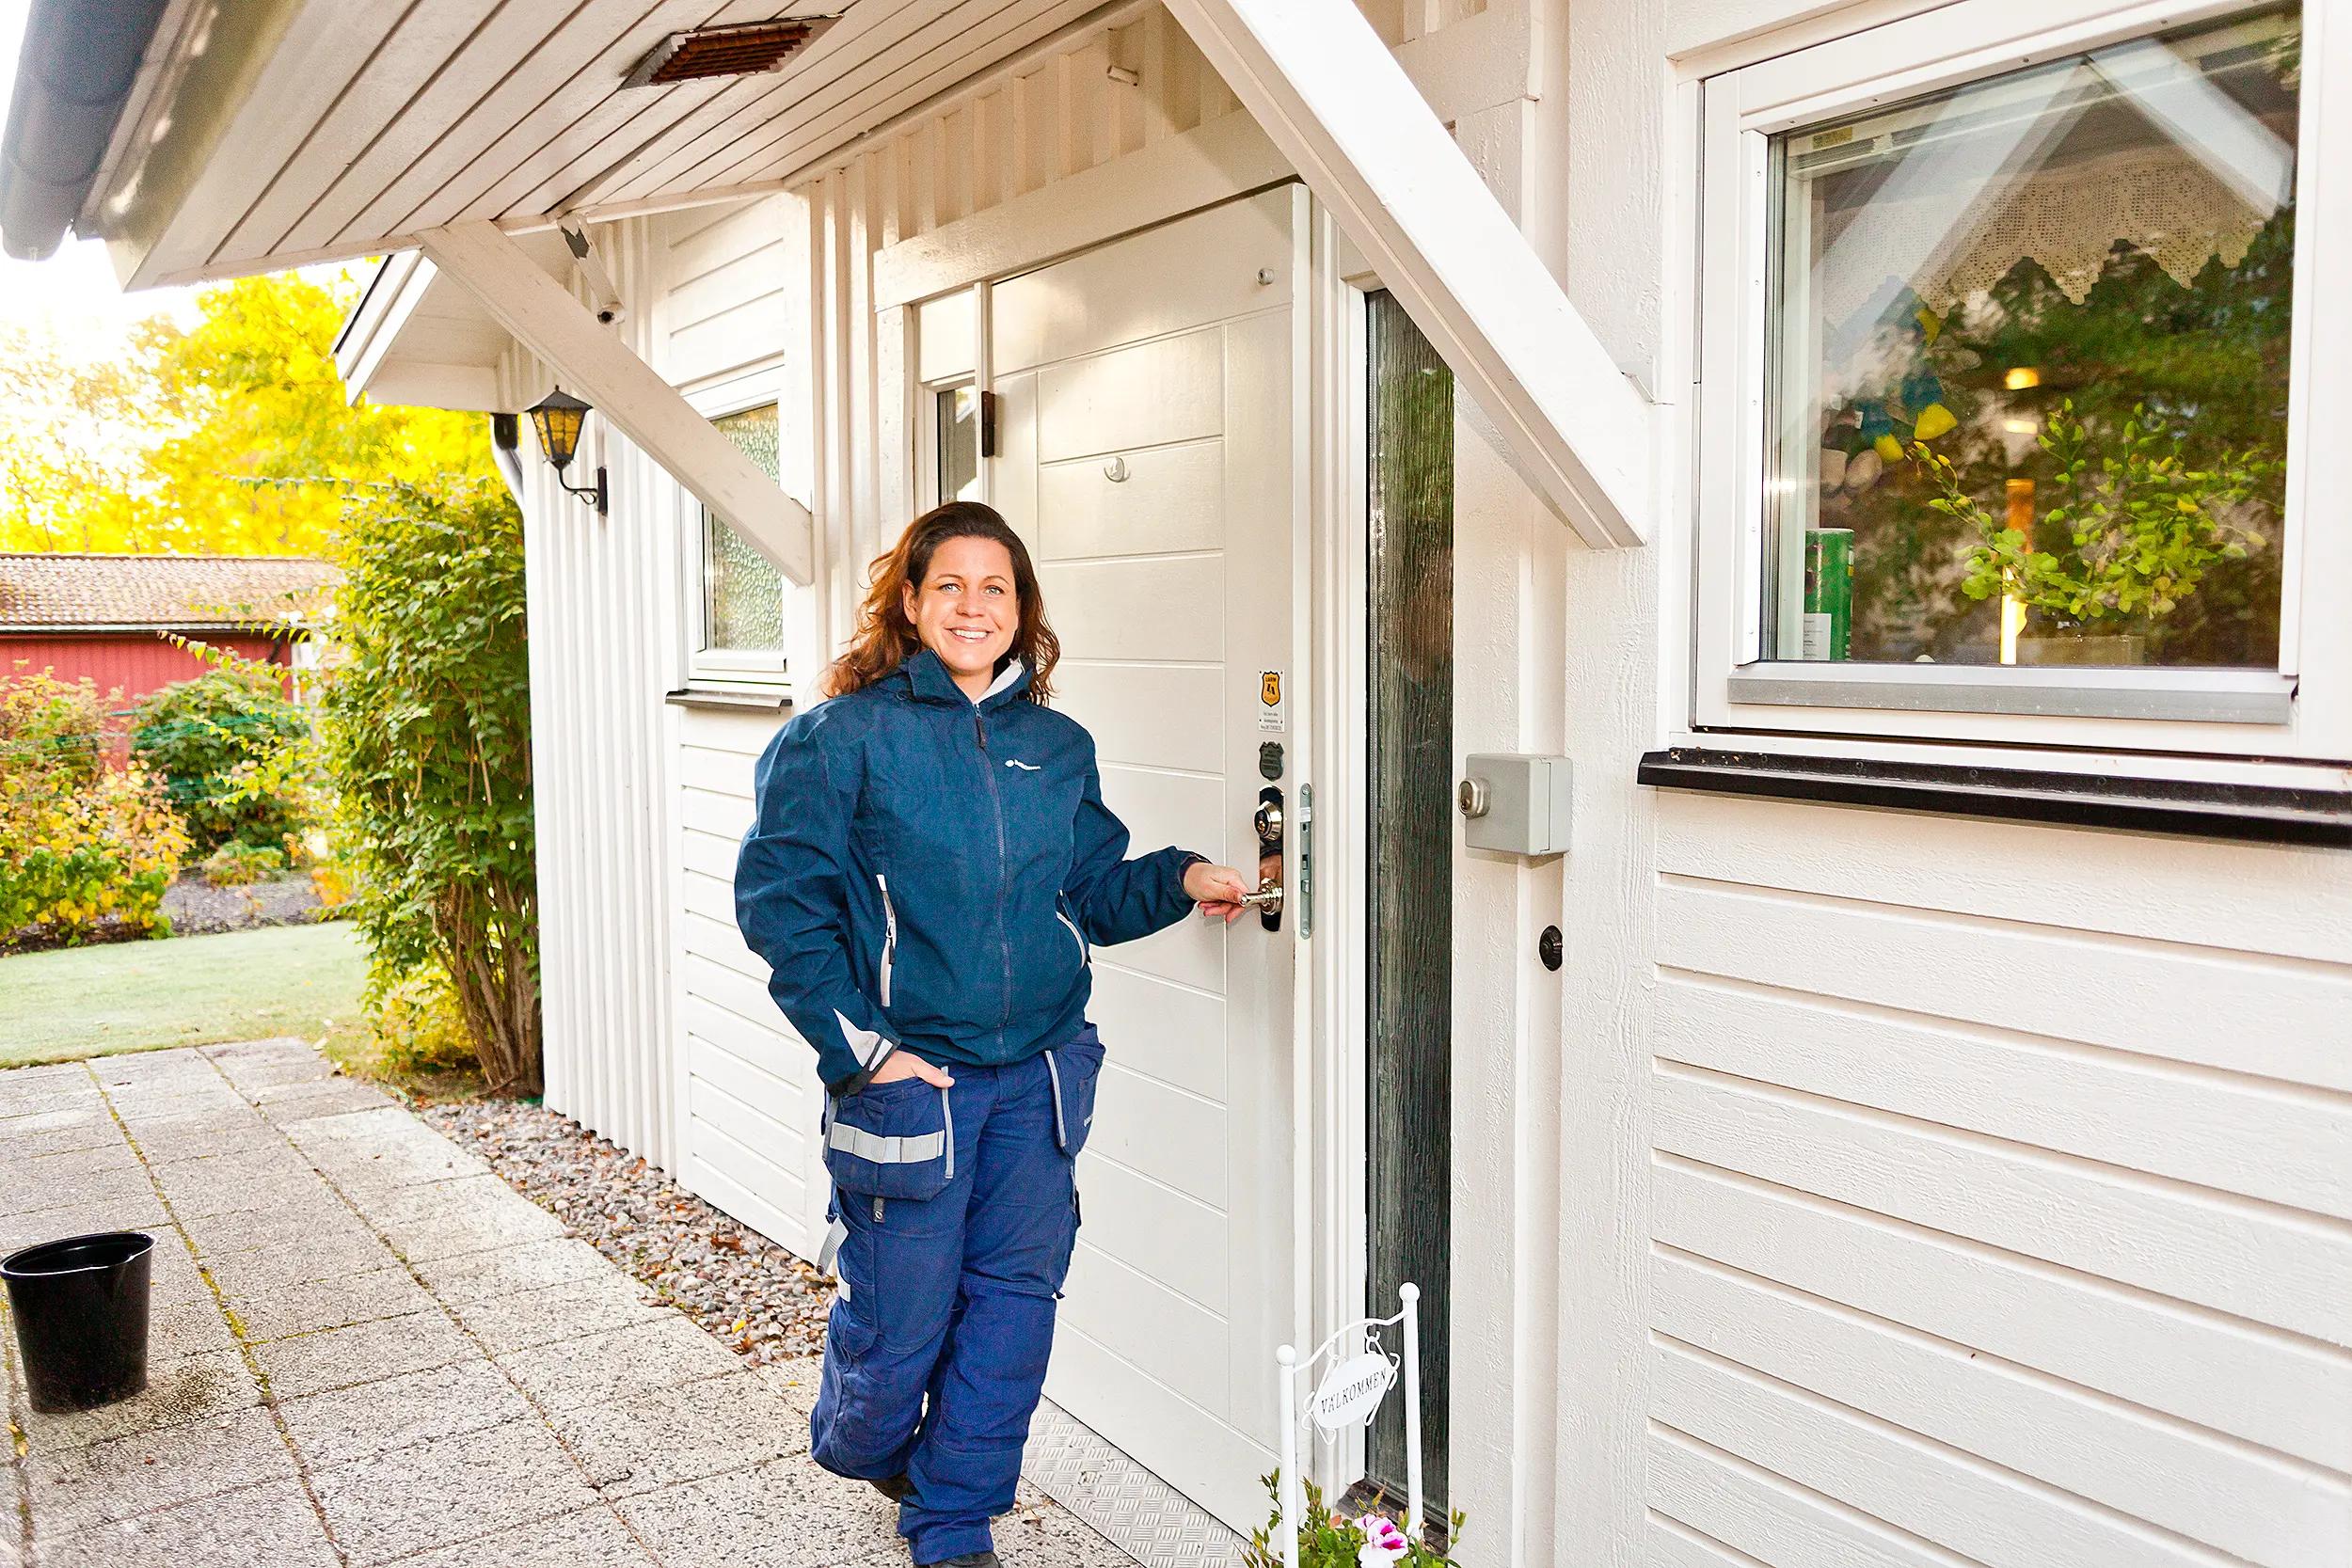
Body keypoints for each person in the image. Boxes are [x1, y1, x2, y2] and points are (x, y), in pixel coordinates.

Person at [736, 500, 1251, 1567]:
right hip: (913, 1079)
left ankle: (953, 1517)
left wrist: (1182, 876)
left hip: (1041, 1078)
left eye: (996, 588)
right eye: (950, 586)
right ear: (910, 601)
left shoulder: (1056, 745)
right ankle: (867, 1437)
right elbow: (781, 906)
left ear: (1024, 611)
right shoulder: (841, 739)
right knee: (903, 1316)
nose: (974, 606)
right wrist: (867, 1052)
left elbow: (1091, 889)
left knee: (1014, 1305)